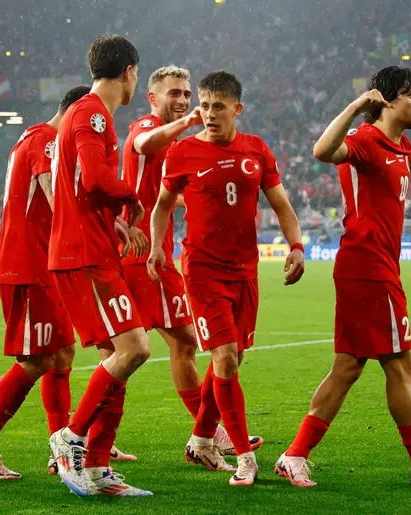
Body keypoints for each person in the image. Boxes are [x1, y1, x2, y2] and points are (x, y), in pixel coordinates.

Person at [274, 66, 411, 487]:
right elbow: (322, 151)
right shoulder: (365, 140)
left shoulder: (398, 145)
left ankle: (294, 455)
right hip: (367, 269)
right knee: (399, 363)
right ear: (387, 100)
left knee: (348, 367)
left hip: (376, 268)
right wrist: (356, 107)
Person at [148, 70, 305, 486]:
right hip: (201, 270)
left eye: (219, 106)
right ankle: (243, 458)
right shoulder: (181, 152)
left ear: (237, 108)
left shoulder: (256, 149)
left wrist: (296, 247)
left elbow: (282, 207)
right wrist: (157, 246)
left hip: (245, 272)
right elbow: (162, 205)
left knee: (233, 361)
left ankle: (200, 438)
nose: (210, 114)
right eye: (204, 106)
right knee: (225, 357)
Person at [120, 65, 262, 462]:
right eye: (174, 94)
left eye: (186, 94)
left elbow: (165, 192)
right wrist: (186, 122)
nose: (182, 101)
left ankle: (89, 434)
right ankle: (207, 435)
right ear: (153, 97)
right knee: (178, 344)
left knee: (162, 347)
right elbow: (144, 144)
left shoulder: (181, 146)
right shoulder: (146, 126)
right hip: (141, 255)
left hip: (150, 252)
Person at [0, 85, 90, 480]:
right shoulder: (47, 141)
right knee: (37, 359)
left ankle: (59, 447)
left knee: (63, 352)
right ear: (72, 113)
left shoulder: (35, 138)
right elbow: (56, 198)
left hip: (44, 266)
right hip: (27, 266)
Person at [47, 34, 152, 498]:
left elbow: (81, 191)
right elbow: (93, 178)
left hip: (92, 247)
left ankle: (96, 468)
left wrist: (114, 224)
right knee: (134, 350)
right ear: (129, 71)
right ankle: (70, 437)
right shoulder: (91, 112)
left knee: (119, 355)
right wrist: (131, 194)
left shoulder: (85, 114)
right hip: (83, 257)